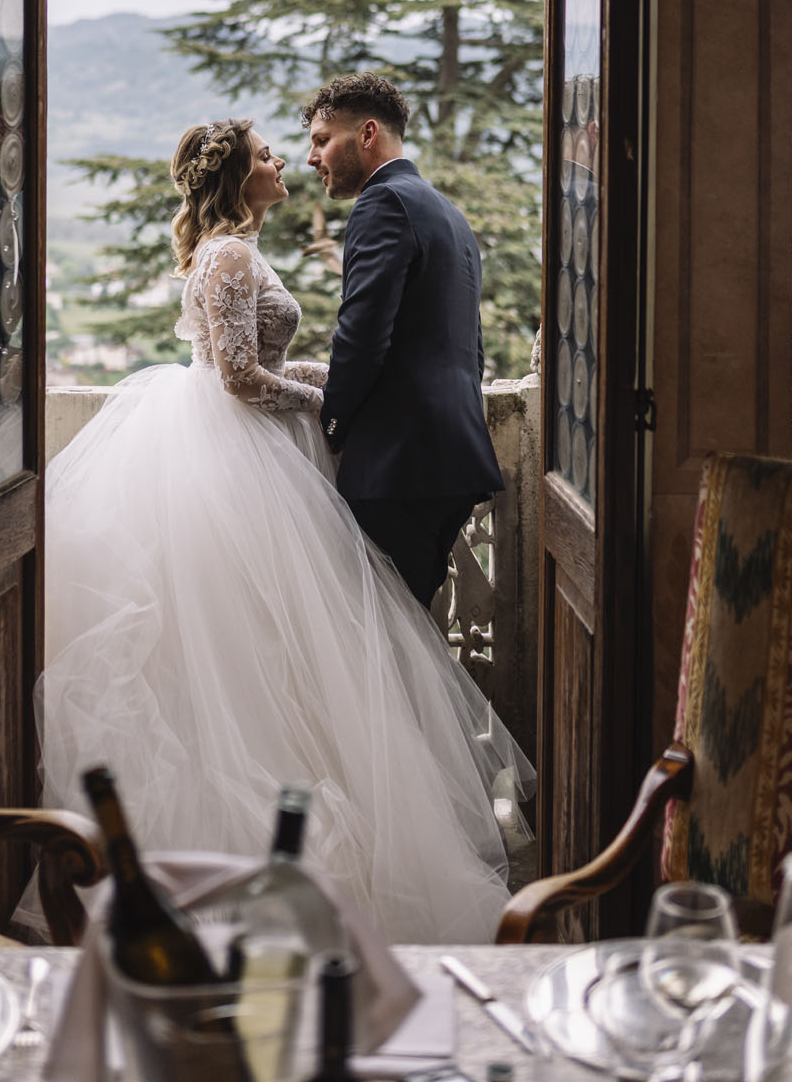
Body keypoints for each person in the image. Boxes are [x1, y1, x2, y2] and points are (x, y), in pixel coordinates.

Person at [33, 116, 533, 945]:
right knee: (255, 657)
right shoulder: (229, 255)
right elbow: (235, 378)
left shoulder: (234, 252)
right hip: (233, 460)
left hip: (249, 456)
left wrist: (314, 379)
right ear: (239, 176)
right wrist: (325, 403)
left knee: (282, 657)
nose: (285, 161)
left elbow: (255, 359)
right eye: (268, 155)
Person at [305, 74, 503, 608]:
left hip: (397, 467)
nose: (311, 157)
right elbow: (470, 349)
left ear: (367, 134)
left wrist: (332, 424)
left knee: (379, 648)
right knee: (407, 645)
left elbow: (362, 335)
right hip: (450, 459)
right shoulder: (446, 212)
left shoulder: (383, 203)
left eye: (322, 140)